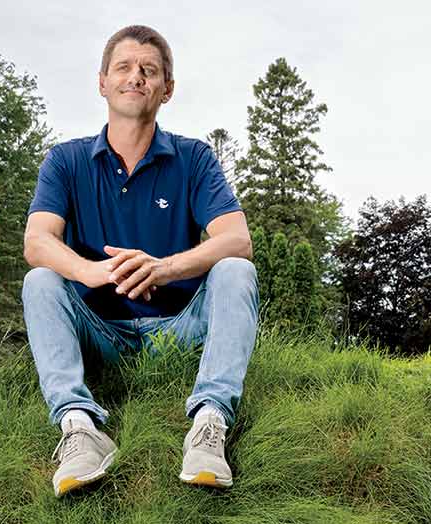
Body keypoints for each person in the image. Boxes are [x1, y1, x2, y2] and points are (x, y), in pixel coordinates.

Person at [22, 25, 259, 497]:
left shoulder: (194, 158)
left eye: (149, 71)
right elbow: (36, 241)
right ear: (103, 82)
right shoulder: (65, 161)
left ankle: (209, 424)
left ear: (166, 89)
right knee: (40, 282)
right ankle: (78, 427)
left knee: (237, 270)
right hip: (100, 329)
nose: (137, 77)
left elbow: (237, 239)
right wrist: (94, 271)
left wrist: (163, 267)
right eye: (125, 68)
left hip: (179, 328)